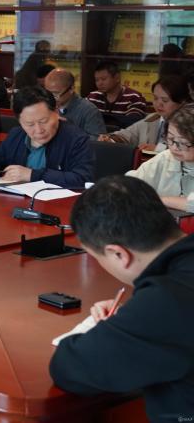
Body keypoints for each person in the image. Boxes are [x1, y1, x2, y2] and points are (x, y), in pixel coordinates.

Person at [49, 175, 194, 421]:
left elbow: (69, 367)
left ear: (118, 253)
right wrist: (137, 311)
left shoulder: (166, 302)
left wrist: (138, 316)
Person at [0, 86, 93, 189]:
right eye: (30, 124)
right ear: (20, 122)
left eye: (44, 121)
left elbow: (83, 179)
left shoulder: (76, 139)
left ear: (56, 112)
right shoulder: (16, 135)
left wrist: (32, 175)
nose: (39, 130)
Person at [126, 105, 194, 213]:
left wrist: (157, 200)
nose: (174, 147)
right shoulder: (165, 157)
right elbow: (132, 183)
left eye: (183, 143)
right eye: (170, 138)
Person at [100, 75, 191, 152]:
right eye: (155, 98)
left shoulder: (190, 123)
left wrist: (159, 149)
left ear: (182, 102)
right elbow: (128, 135)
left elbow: (188, 150)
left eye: (165, 100)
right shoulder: (153, 118)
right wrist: (111, 139)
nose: (158, 104)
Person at [87, 61, 148, 130]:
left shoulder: (134, 97)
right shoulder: (93, 97)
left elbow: (132, 125)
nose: (100, 83)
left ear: (117, 78)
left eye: (103, 79)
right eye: (97, 80)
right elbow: (83, 118)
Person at [44, 68, 106, 137]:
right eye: (48, 93)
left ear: (71, 89)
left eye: (56, 94)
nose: (51, 98)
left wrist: (70, 130)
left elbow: (98, 140)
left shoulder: (89, 110)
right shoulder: (43, 106)